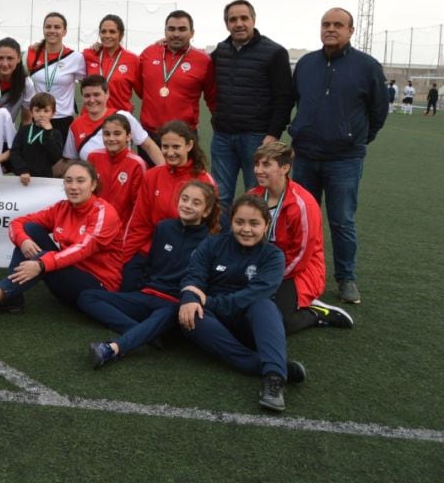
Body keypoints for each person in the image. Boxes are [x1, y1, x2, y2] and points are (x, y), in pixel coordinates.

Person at [289, 7, 388, 305]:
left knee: (341, 220)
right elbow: (295, 101)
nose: (331, 29)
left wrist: (354, 138)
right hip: (305, 155)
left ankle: (346, 278)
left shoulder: (367, 66)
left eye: (338, 25)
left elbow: (378, 112)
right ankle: (297, 272)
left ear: (351, 30)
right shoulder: (306, 64)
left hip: (344, 160)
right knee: (300, 217)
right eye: (326, 24)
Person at [0, 160, 122, 321]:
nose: (73, 186)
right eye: (68, 181)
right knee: (29, 230)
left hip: (97, 289)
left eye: (80, 181)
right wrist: (23, 240)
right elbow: (17, 223)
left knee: (44, 257)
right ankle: (11, 298)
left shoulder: (104, 213)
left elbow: (83, 248)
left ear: (93, 185)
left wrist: (42, 264)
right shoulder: (62, 207)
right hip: (67, 279)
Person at [178, 194, 306, 413]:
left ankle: (273, 381)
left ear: (266, 225)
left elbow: (253, 295)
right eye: (240, 222)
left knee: (264, 305)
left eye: (254, 223)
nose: (246, 229)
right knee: (189, 314)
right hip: (213, 322)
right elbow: (193, 275)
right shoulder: (213, 243)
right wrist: (190, 299)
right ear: (232, 222)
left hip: (249, 325)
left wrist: (207, 301)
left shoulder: (273, 256)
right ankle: (264, 365)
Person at [80, 180, 219, 368]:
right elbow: (152, 264)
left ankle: (111, 349)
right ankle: (145, 332)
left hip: (174, 304)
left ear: (206, 211)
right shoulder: (164, 228)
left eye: (196, 203)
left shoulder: (211, 242)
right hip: (147, 295)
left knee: (167, 313)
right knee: (87, 297)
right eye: (184, 199)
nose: (187, 205)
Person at [247, 142, 354, 331]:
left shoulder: (302, 204)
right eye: (256, 164)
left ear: (285, 168)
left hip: (298, 272)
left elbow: (301, 257)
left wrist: (268, 278)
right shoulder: (252, 197)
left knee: (273, 323)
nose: (258, 170)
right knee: (241, 313)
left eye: (266, 165)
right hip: (261, 267)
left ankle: (315, 313)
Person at [209, 0, 294, 211]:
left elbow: (284, 98)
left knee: (257, 196)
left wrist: (273, 134)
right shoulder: (220, 52)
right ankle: (221, 243)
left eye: (244, 18)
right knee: (220, 196)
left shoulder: (275, 53)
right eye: (233, 19)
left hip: (257, 138)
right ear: (226, 24)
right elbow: (195, 62)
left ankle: (255, 243)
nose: (239, 23)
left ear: (253, 20)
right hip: (223, 137)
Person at [121, 120, 216, 262]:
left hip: (186, 256)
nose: (170, 153)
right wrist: (123, 260)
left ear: (189, 145)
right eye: (165, 146)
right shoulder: (151, 176)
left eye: (176, 147)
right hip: (150, 251)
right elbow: (139, 224)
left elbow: (212, 229)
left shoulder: (205, 181)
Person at [137, 10, 214, 155]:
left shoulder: (203, 61)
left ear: (192, 33)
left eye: (182, 29)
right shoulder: (149, 53)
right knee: (150, 177)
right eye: (171, 29)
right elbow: (141, 89)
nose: (176, 34)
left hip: (184, 136)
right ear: (165, 31)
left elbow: (212, 97)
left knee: (185, 178)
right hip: (149, 135)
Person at [62, 75, 162, 165]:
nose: (92, 100)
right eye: (87, 96)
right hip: (91, 183)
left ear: (107, 94)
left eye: (96, 95)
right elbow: (71, 161)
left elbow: (148, 145)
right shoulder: (76, 125)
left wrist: (166, 172)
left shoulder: (123, 116)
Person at [26, 12, 86, 139]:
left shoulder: (75, 58)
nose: (52, 30)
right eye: (48, 27)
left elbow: (86, 86)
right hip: (37, 117)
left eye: (57, 27)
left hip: (63, 119)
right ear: (43, 30)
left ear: (64, 32)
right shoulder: (32, 53)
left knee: (62, 158)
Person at [87, 113, 148, 227]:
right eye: (106, 134)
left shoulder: (137, 164)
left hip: (121, 231)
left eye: (117, 134)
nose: (111, 139)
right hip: (94, 226)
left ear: (129, 136)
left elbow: (139, 207)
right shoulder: (93, 157)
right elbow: (86, 195)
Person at [82, 14, 140, 113]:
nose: (107, 35)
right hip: (91, 117)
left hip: (118, 120)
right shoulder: (88, 55)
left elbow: (142, 92)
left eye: (112, 32)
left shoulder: (132, 60)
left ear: (121, 35)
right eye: (103, 31)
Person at [9, 92, 64, 185]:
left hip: (45, 180)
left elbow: (56, 157)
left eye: (46, 111)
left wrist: (47, 133)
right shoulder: (24, 130)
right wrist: (22, 170)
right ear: (31, 112)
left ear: (53, 113)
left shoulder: (55, 133)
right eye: (37, 110)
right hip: (24, 178)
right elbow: (15, 152)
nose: (41, 114)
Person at [0, 37, 37, 125]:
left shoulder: (26, 83)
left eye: (10, 58)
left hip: (8, 133)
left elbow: (27, 119)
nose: (4, 63)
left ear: (19, 58)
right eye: (0, 58)